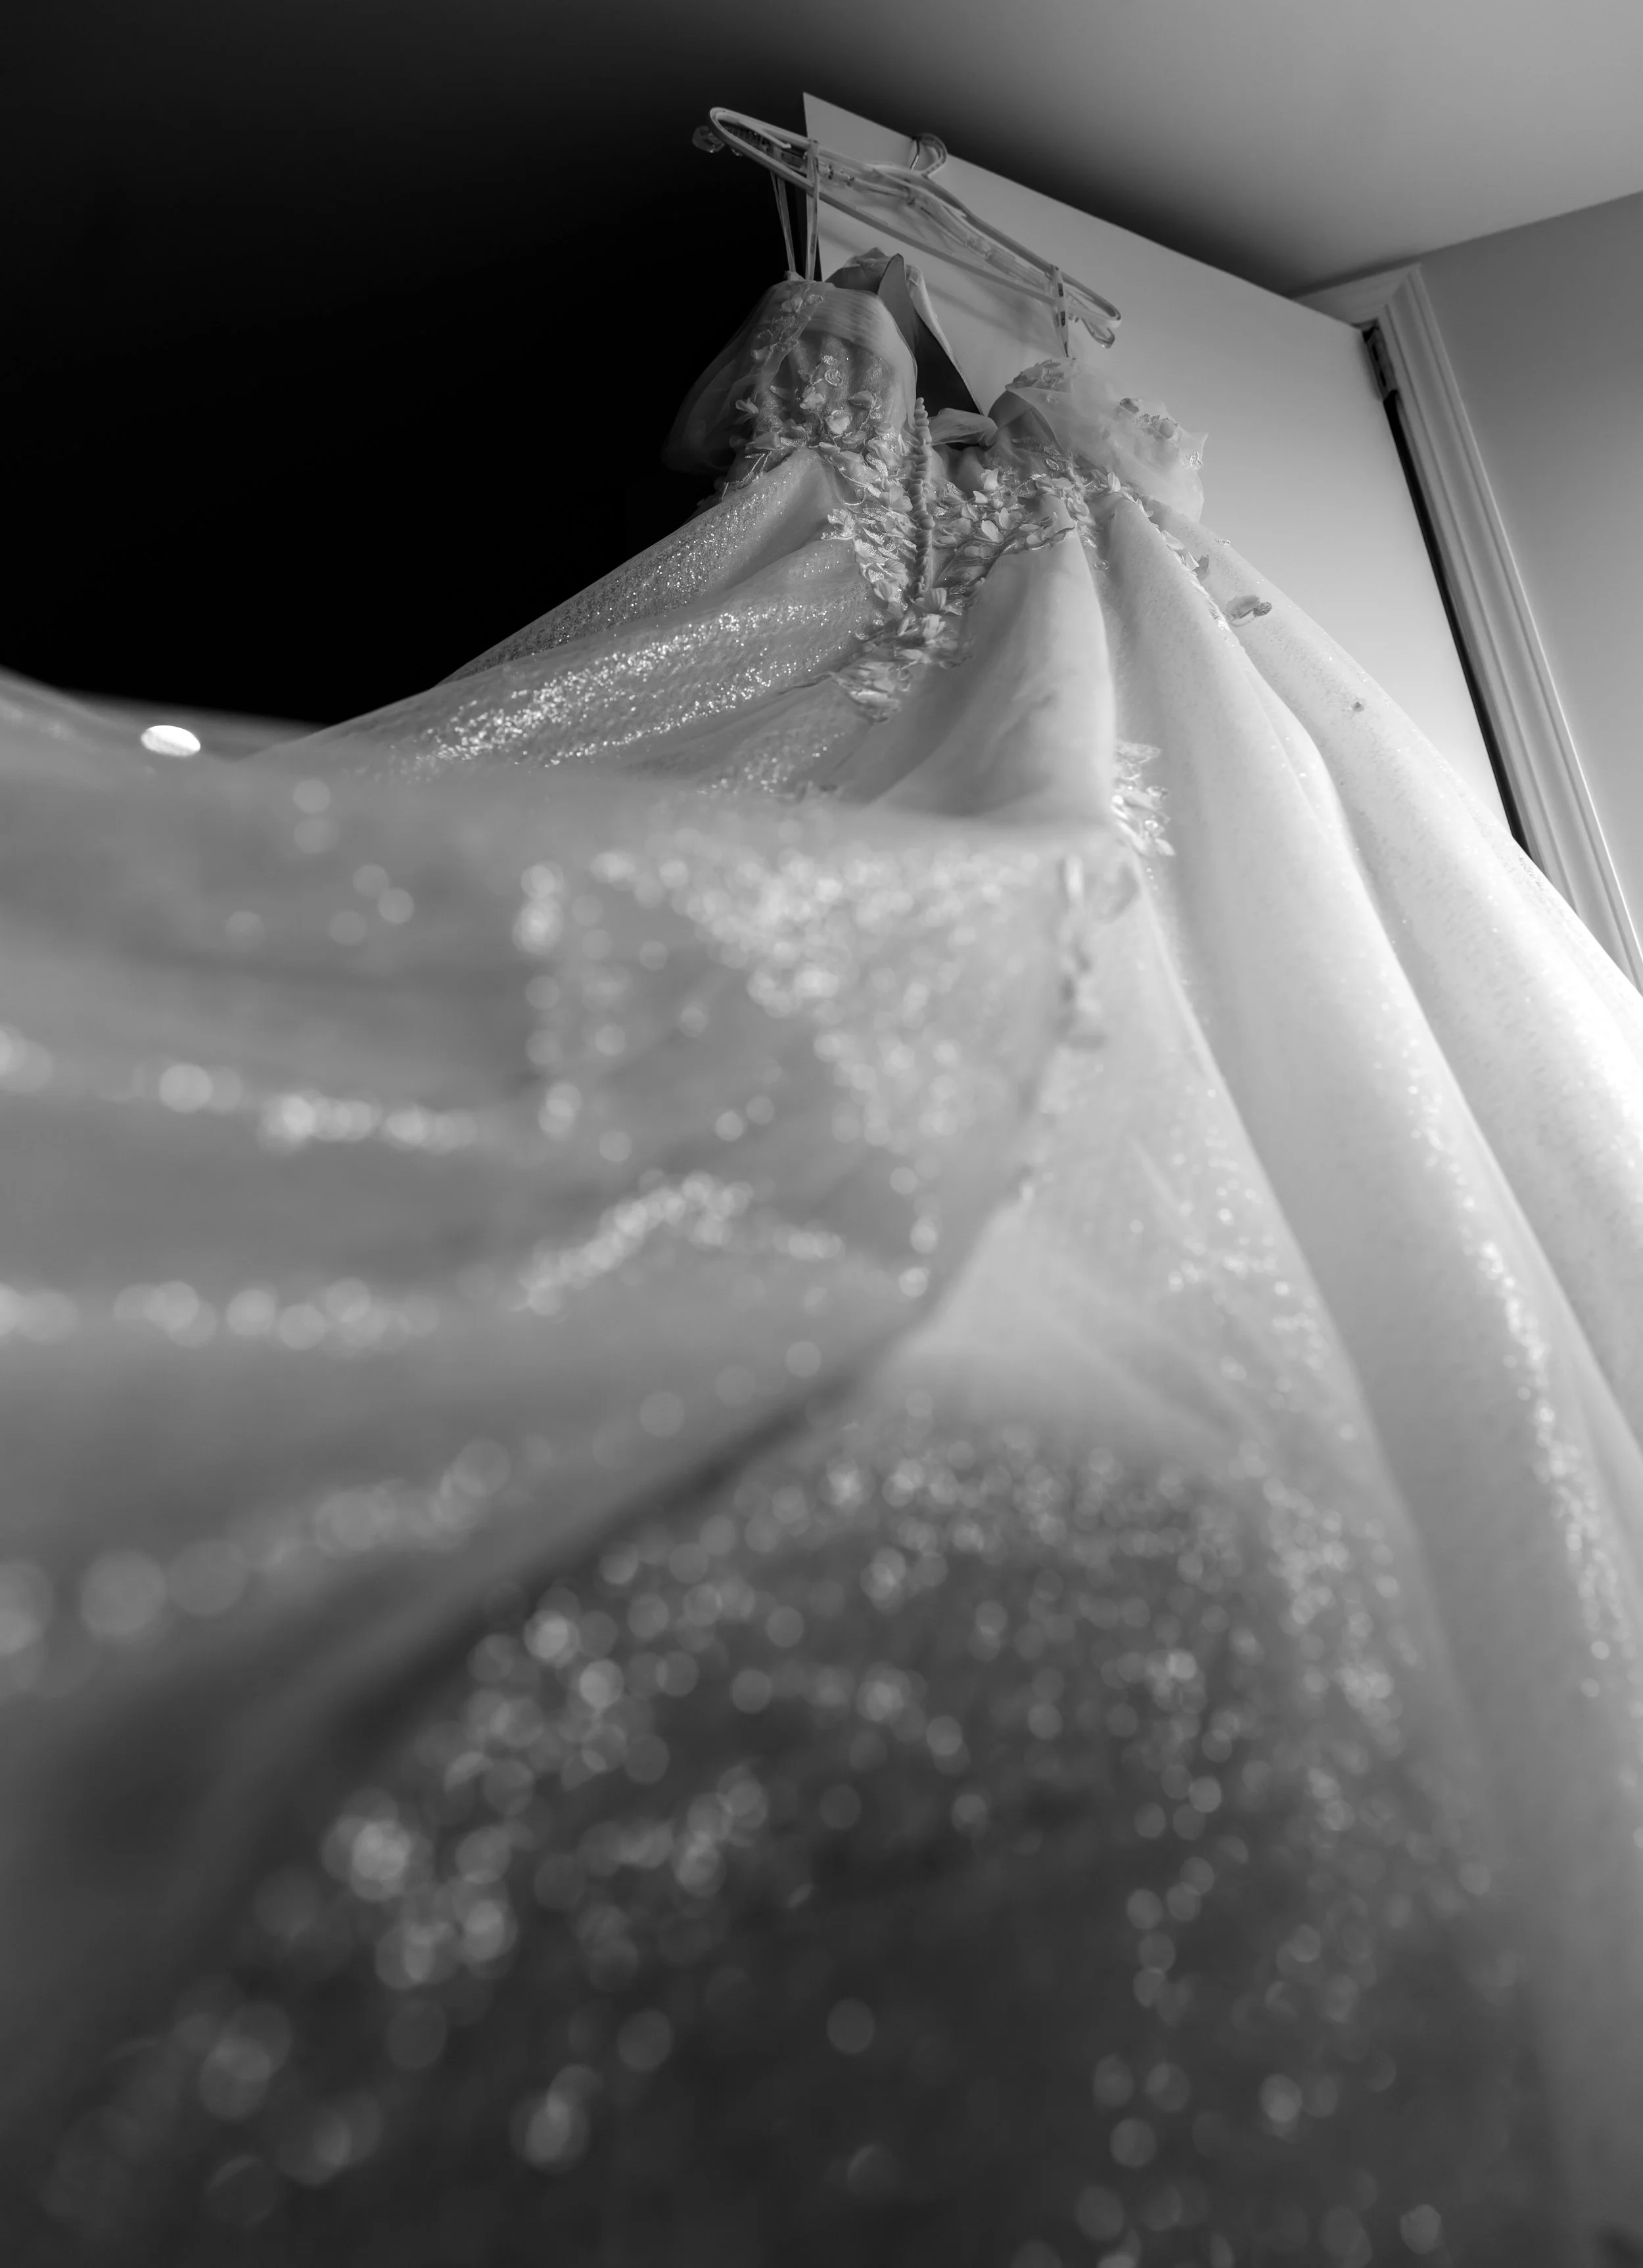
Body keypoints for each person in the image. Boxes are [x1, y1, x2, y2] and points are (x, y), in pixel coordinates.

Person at [4, 248, 1643, 2266]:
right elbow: (754, 480)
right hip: (873, 680)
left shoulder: (1050, 442)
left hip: (1181, 738)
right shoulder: (902, 378)